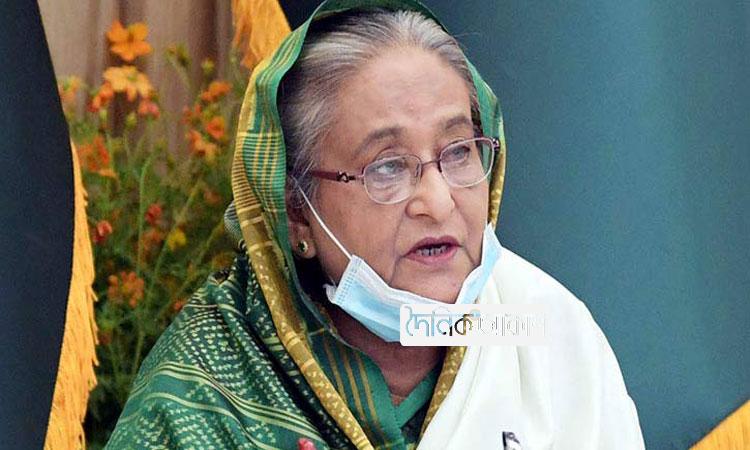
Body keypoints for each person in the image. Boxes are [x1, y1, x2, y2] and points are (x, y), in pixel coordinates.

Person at [105, 0, 645, 448]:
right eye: (386, 167)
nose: (438, 202)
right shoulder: (204, 395)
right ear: (297, 211)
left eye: (459, 151)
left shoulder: (543, 331)